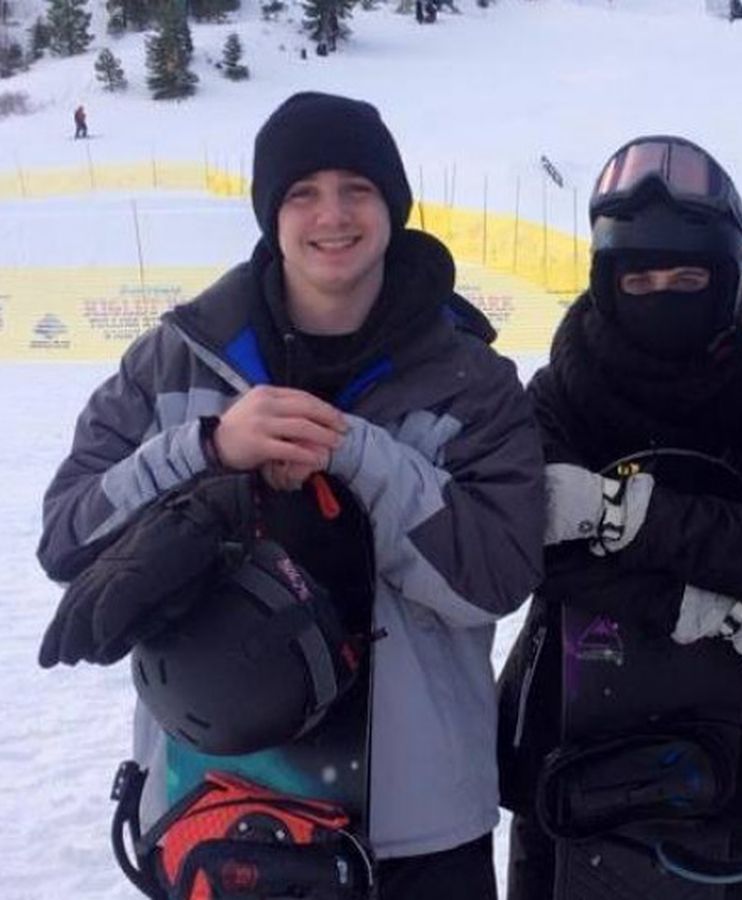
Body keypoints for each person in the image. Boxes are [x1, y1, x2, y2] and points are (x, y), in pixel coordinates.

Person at [36, 91, 544, 900]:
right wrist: (206, 450)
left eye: (357, 189)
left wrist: (358, 455)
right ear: (271, 214)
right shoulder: (173, 360)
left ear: (392, 207)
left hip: (418, 837)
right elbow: (69, 539)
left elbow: (496, 578)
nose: (331, 215)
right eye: (302, 192)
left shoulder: (473, 381)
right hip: (217, 814)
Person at [496, 135, 742, 899]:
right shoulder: (569, 383)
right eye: (639, 278)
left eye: (687, 278)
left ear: (726, 276)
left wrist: (620, 515)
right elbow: (543, 546)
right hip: (569, 736)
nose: (661, 294)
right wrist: (708, 608)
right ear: (607, 281)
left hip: (729, 753)